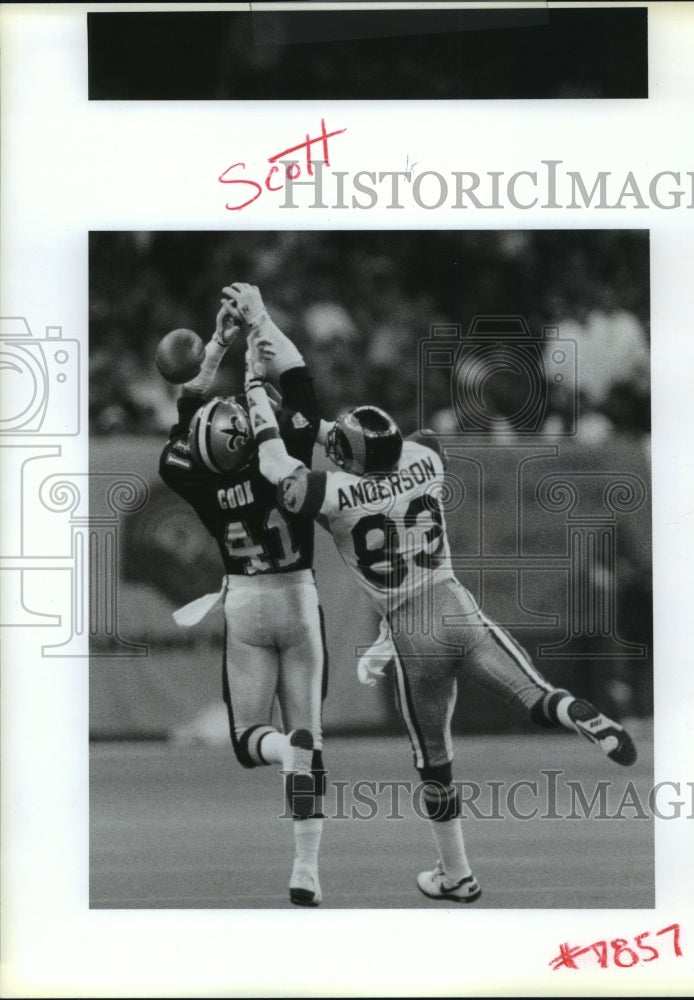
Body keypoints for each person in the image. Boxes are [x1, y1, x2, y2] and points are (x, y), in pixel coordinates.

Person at [238, 316, 637, 906]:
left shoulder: (337, 496)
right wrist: (324, 427)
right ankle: (579, 715)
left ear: (348, 455)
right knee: (538, 696)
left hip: (408, 633)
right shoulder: (427, 457)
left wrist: (261, 402)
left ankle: (459, 873)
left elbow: (281, 470)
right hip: (455, 608)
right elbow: (392, 444)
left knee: (434, 763)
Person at [158, 285, 327, 907]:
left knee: (248, 740)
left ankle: (283, 747)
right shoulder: (281, 461)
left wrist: (216, 350)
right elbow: (301, 385)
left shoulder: (194, 477)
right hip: (299, 597)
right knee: (311, 740)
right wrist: (260, 328)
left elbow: (187, 416)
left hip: (247, 603)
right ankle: (306, 867)